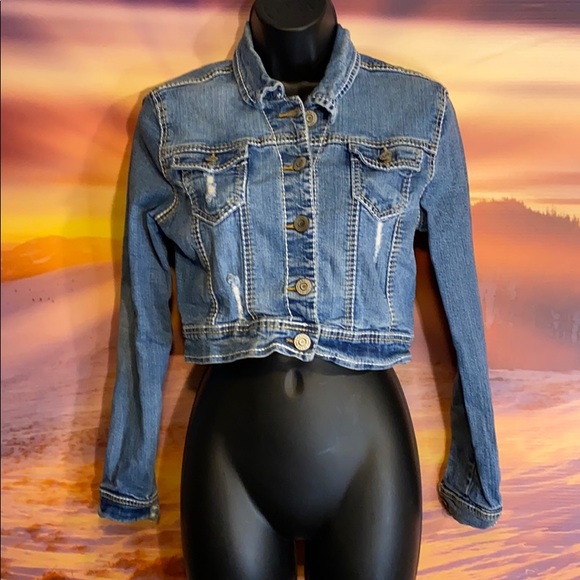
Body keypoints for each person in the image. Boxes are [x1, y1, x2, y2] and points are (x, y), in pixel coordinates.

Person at [99, 0, 502, 578]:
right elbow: (143, 308)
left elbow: (461, 298)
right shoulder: (174, 116)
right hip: (230, 454)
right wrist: (131, 476)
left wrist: (477, 469)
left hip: (369, 453)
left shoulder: (419, 110)